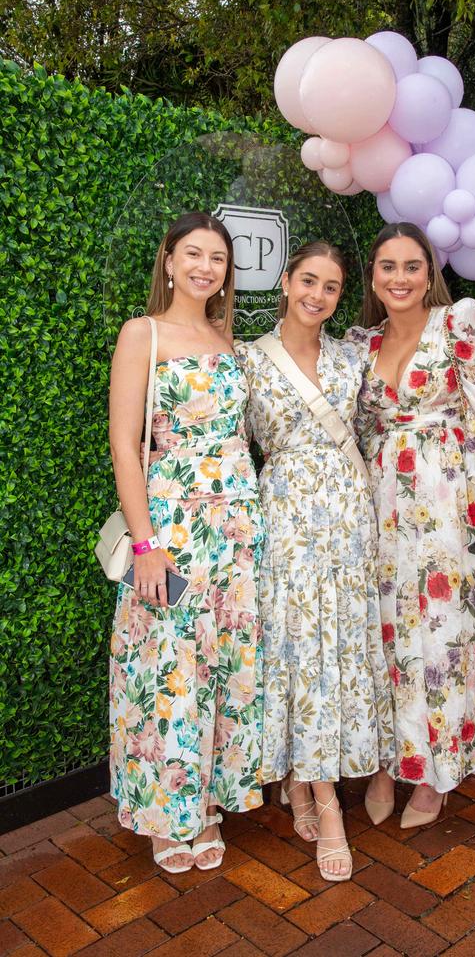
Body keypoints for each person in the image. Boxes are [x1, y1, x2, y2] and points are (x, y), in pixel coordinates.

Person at [346, 222, 475, 830]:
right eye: (387, 267)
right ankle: (391, 761)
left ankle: (436, 776)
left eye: (411, 266)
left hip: (448, 505)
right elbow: (358, 432)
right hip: (382, 510)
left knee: (442, 636)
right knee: (387, 636)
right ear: (373, 278)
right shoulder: (361, 344)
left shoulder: (458, 323)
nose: (399, 278)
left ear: (430, 274)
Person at [109, 212, 265, 873]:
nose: (206, 267)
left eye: (218, 259)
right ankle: (162, 813)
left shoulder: (229, 339)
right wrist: (146, 545)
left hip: (237, 533)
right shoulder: (141, 334)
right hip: (172, 530)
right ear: (169, 261)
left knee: (224, 669)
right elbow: (124, 443)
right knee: (167, 671)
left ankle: (203, 802)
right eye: (193, 254)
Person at [236, 241, 394, 881]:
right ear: (284, 281)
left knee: (337, 651)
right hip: (287, 526)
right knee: (298, 650)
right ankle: (325, 802)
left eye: (330, 287)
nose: (317, 295)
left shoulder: (353, 359)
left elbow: (385, 430)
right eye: (308, 281)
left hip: (348, 525)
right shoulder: (246, 360)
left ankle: (306, 783)